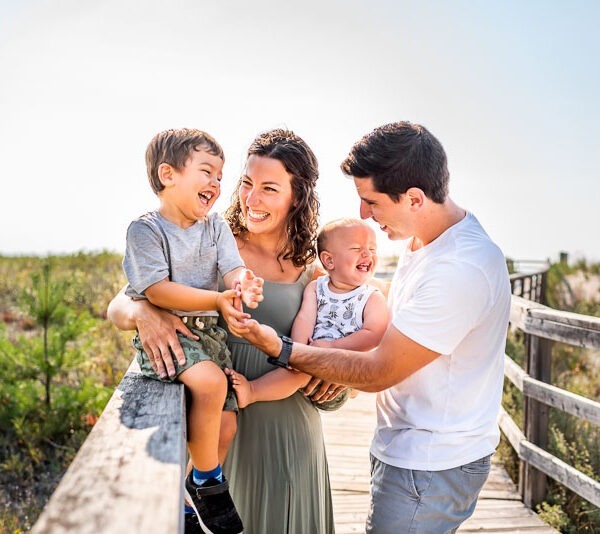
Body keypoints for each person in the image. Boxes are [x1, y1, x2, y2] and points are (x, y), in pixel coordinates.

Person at [234, 121, 512, 534]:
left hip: (431, 463)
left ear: (415, 199)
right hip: (406, 451)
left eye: (372, 202)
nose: (363, 214)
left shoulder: (460, 268)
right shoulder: (423, 243)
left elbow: (381, 370)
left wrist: (287, 350)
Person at [108, 129, 336, 533]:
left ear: (296, 196)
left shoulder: (314, 268)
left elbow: (327, 352)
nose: (251, 198)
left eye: (269, 188)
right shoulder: (208, 239)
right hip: (217, 434)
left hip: (289, 439)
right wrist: (145, 312)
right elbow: (119, 305)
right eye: (247, 183)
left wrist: (336, 382)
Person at [122, 128, 263, 534]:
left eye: (220, 176)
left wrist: (241, 284)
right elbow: (156, 289)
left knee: (228, 424)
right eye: (206, 172)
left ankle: (188, 494)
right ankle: (207, 482)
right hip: (170, 333)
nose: (216, 184)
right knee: (208, 381)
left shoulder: (215, 227)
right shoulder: (145, 230)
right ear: (168, 174)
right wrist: (216, 301)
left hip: (212, 336)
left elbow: (232, 268)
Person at [227, 217, 388, 412]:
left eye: (372, 249)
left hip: (341, 366)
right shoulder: (316, 287)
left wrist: (330, 348)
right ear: (329, 260)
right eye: (356, 248)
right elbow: (305, 318)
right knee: (299, 370)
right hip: (312, 353)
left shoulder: (371, 297)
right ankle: (257, 387)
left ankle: (253, 391)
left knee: (303, 373)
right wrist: (298, 351)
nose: (367, 254)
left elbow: (374, 335)